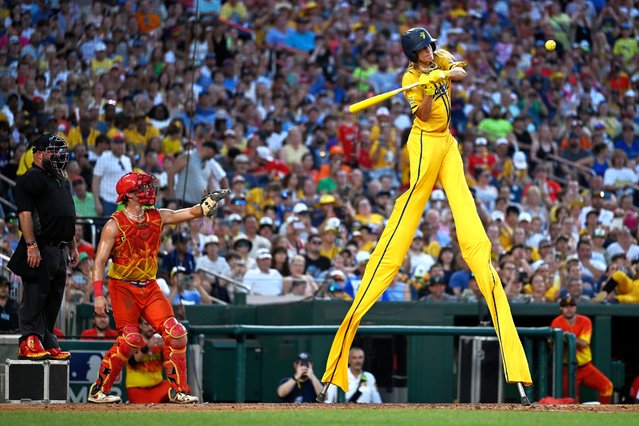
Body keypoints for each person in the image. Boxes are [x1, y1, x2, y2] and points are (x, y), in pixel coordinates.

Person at [320, 27, 531, 398]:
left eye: (429, 47)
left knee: (464, 205)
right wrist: (431, 87)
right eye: (423, 50)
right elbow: (425, 111)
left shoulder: (440, 58)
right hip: (423, 141)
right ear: (411, 55)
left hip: (447, 142)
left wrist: (444, 73)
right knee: (416, 195)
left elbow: (461, 71)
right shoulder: (408, 79)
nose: (428, 52)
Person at [87, 171, 228, 404]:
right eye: (142, 188)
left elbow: (191, 212)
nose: (149, 191)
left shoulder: (157, 216)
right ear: (129, 195)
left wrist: (206, 206)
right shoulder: (114, 224)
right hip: (122, 286)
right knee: (131, 338)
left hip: (150, 285)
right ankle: (99, 390)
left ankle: (179, 390)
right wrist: (99, 295)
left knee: (177, 333)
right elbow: (99, 262)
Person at [7, 133, 77, 361]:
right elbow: (24, 214)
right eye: (53, 151)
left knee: (54, 298)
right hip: (42, 246)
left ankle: (46, 339)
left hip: (60, 248)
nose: (59, 155)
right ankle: (29, 339)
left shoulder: (61, 178)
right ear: (38, 153)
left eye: (60, 151)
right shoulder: (31, 178)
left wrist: (72, 245)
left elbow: (68, 215)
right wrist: (31, 245)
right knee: (35, 295)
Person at [550, 296, 613, 403]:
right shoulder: (556, 322)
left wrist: (567, 336)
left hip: (585, 367)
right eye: (565, 306)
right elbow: (551, 344)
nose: (568, 309)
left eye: (571, 306)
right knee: (570, 401)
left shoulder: (585, 321)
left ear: (576, 307)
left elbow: (584, 343)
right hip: (567, 369)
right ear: (561, 308)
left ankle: (604, 411)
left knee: (607, 387)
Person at [126, 317, 172, 404]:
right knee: (144, 408)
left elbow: (169, 361)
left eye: (152, 324)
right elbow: (132, 362)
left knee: (178, 389)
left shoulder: (159, 341)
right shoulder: (133, 340)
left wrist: (167, 346)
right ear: (140, 325)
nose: (150, 327)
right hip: (138, 388)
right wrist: (148, 346)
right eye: (146, 324)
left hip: (157, 387)